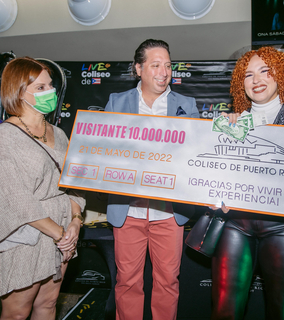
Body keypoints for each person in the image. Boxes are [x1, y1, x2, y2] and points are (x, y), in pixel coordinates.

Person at [210, 47, 284, 320]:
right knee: (224, 308)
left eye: (265, 70)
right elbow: (215, 173)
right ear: (241, 83)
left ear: (280, 74)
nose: (256, 79)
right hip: (235, 222)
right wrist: (229, 132)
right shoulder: (232, 121)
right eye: (248, 74)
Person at [0, 57, 86, 320]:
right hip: (28, 232)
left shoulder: (60, 134)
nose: (49, 91)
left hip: (63, 229)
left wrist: (75, 222)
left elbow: (73, 183)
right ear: (18, 91)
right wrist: (59, 233)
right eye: (40, 88)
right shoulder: (5, 135)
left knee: (48, 304)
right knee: (17, 312)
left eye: (50, 85)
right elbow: (14, 195)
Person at [104, 39, 199, 320]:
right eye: (156, 65)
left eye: (168, 65)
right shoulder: (117, 102)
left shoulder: (186, 104)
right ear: (139, 69)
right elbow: (104, 151)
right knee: (127, 281)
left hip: (168, 214)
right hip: (128, 210)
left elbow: (195, 153)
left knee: (167, 282)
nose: (164, 71)